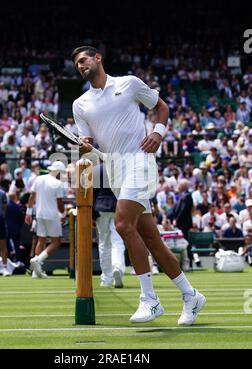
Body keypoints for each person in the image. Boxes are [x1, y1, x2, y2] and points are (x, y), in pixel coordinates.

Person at [71, 45, 205, 325]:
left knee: (122, 224)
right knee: (152, 241)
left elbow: (161, 107)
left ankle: (150, 300)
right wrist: (81, 147)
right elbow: (87, 146)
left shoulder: (129, 83)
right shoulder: (80, 105)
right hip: (116, 173)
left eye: (84, 60)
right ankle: (191, 295)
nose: (81, 66)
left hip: (140, 162)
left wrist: (158, 132)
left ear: (98, 58)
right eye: (76, 65)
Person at [25, 160, 65, 278]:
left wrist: (28, 213)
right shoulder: (57, 184)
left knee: (41, 240)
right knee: (56, 242)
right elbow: (60, 205)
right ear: (57, 171)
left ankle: (35, 272)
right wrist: (63, 212)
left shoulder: (39, 179)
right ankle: (38, 260)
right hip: (52, 215)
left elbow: (32, 197)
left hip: (39, 214)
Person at [93, 163, 126, 288]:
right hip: (118, 207)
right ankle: (117, 267)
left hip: (101, 208)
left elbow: (92, 192)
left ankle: (106, 278)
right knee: (117, 241)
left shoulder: (96, 170)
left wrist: (92, 213)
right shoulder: (121, 167)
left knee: (104, 244)